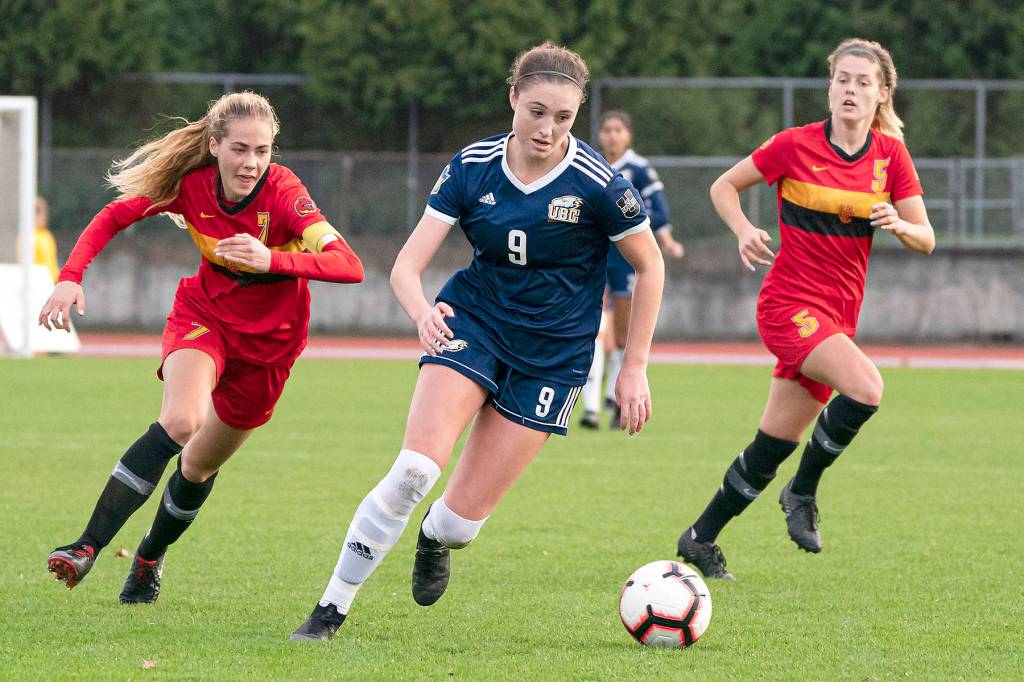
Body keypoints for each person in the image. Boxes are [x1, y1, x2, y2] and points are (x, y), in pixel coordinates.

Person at [291, 42, 665, 640]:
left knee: (461, 525)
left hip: (555, 357)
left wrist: (634, 366)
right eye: (536, 110)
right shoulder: (472, 166)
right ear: (513, 97)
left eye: (563, 117)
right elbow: (406, 267)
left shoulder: (601, 184)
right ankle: (331, 607)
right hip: (474, 323)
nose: (547, 129)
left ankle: (435, 536)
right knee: (414, 469)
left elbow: (651, 267)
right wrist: (421, 313)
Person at [40, 91, 364, 603]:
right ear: (214, 146)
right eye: (240, 149)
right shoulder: (191, 187)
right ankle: (86, 546)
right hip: (205, 317)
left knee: (197, 468)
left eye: (262, 151)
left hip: (270, 350)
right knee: (181, 421)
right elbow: (113, 216)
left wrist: (272, 261)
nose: (252, 162)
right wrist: (70, 276)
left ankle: (149, 557)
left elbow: (350, 265)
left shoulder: (285, 193)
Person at [674, 38, 935, 581]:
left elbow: (926, 238)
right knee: (866, 387)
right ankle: (804, 492)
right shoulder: (794, 144)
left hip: (837, 319)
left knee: (772, 445)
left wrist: (899, 223)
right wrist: (744, 229)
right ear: (830, 85)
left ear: (881, 94)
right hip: (789, 307)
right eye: (842, 78)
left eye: (863, 82)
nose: (850, 89)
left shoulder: (890, 158)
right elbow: (724, 185)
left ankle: (700, 538)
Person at [579, 111, 685, 429]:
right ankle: (590, 408)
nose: (611, 136)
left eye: (618, 130)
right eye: (606, 130)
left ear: (628, 135)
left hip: (624, 258)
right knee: (595, 329)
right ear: (599, 135)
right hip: (593, 257)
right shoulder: (590, 164)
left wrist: (666, 240)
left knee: (623, 334)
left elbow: (656, 210)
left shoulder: (638, 168)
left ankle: (613, 399)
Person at [34, 197, 60, 282]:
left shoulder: (47, 235)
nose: (43, 216)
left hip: (51, 282)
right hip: (37, 281)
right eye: (38, 212)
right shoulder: (28, 237)